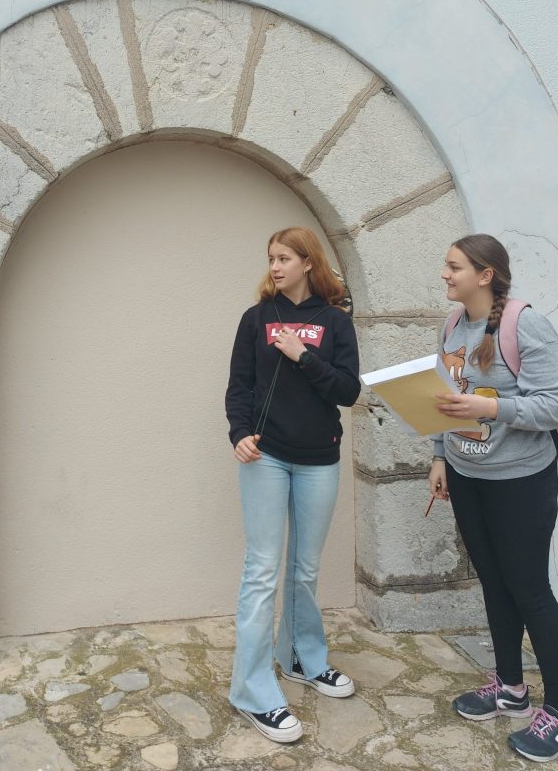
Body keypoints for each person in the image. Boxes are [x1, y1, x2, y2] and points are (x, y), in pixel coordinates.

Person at [429, 234, 558, 763]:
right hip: (467, 475)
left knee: (530, 591)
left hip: (521, 481)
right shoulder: (452, 325)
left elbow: (554, 405)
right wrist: (439, 456)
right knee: (495, 585)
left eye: (454, 267)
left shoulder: (526, 325)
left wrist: (491, 408)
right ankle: (511, 689)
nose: (445, 274)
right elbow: (442, 397)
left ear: (485, 274)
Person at [225, 226, 360, 743]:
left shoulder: (335, 321)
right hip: (266, 457)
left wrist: (303, 356)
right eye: (271, 258)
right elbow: (239, 386)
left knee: (305, 569)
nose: (275, 266)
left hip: (319, 459)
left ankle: (302, 657)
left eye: (284, 258)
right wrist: (239, 433)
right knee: (262, 571)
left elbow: (348, 390)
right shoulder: (256, 319)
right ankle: (253, 691)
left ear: (308, 262)